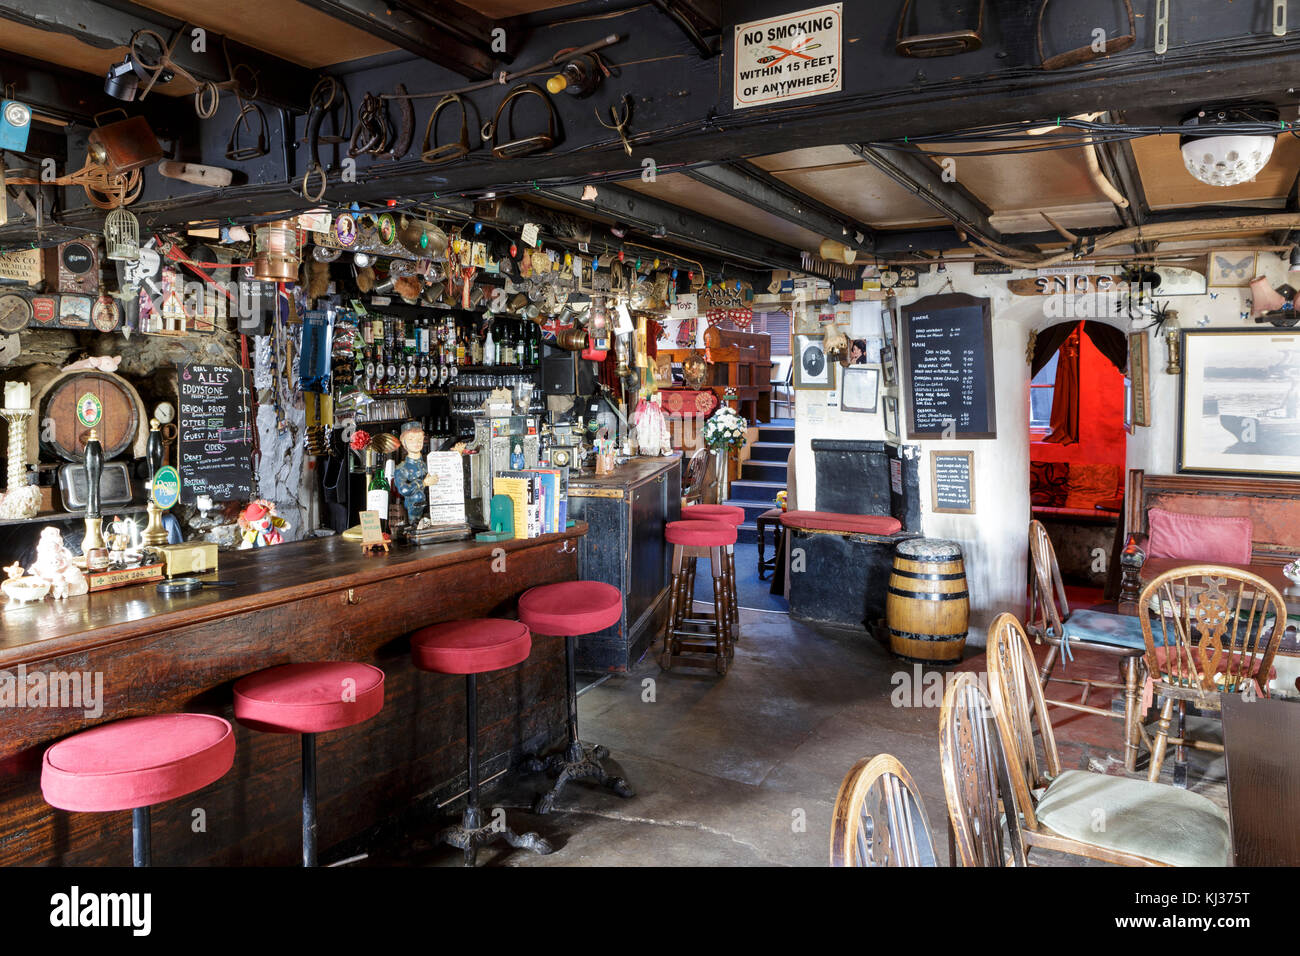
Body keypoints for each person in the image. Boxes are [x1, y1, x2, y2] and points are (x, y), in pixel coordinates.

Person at [392, 421, 436, 526]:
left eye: (419, 439)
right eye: (411, 439)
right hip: (413, 512)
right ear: (404, 443)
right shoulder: (402, 468)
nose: (416, 443)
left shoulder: (429, 463)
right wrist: (423, 483)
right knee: (418, 495)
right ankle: (415, 523)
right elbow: (404, 490)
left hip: (433, 510)